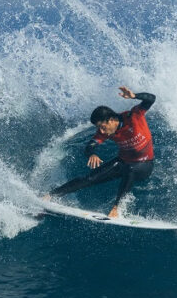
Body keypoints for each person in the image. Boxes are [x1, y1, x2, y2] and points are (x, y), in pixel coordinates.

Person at [45, 86, 156, 218]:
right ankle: (50, 195)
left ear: (111, 120)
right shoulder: (107, 131)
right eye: (99, 128)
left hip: (144, 165)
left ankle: (117, 209)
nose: (101, 132)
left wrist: (135, 96)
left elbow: (151, 99)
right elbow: (90, 145)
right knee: (90, 178)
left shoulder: (133, 116)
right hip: (123, 162)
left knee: (130, 169)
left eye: (102, 127)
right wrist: (91, 153)